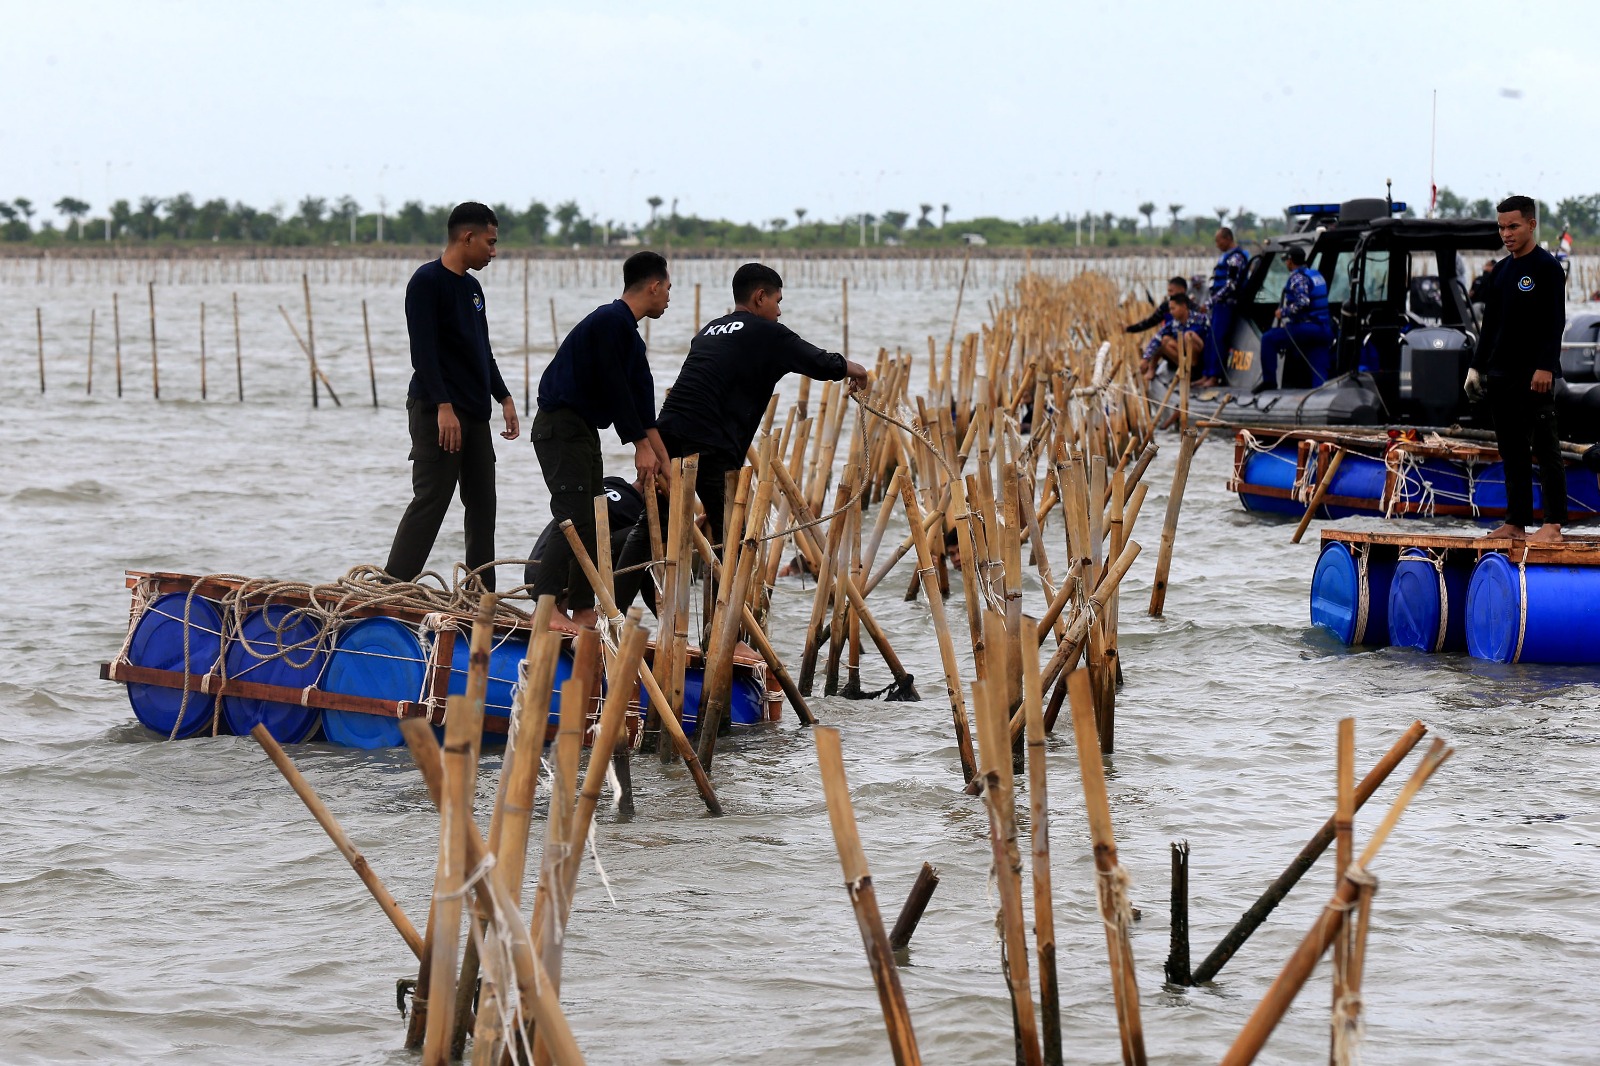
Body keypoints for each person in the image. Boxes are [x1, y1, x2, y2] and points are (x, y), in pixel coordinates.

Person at [613, 262, 869, 613]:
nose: (779, 311)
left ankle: (608, 616)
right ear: (760, 296)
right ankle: (722, 632)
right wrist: (861, 372)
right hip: (712, 444)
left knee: (649, 527)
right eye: (777, 301)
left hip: (668, 437)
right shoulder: (767, 333)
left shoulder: (708, 330)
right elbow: (822, 362)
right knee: (733, 534)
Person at [530, 251, 672, 631]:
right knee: (573, 516)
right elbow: (614, 388)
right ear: (654, 286)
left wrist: (667, 467)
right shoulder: (609, 322)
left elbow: (644, 410)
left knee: (594, 519)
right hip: (560, 427)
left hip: (584, 431)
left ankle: (581, 608)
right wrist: (639, 447)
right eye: (668, 289)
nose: (670, 298)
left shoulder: (631, 338)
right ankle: (546, 609)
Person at [384, 202, 518, 591]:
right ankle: (392, 589)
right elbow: (422, 353)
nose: (493, 251)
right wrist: (443, 407)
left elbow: (481, 349)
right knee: (431, 500)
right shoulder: (427, 282)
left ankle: (481, 596)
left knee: (483, 506)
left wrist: (504, 396)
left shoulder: (473, 288)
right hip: (437, 410)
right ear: (467, 237)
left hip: (474, 414)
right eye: (490, 243)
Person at [1465, 194, 1568, 545]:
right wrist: (1476, 368)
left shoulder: (1547, 268)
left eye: (1513, 226)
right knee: (1512, 451)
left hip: (1535, 375)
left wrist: (1546, 366)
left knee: (1546, 447)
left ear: (1531, 224)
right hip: (1501, 374)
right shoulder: (1501, 271)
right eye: (1501, 227)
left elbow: (1555, 322)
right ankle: (1516, 521)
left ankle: (1553, 524)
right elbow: (1490, 325)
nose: (1506, 233)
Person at [522, 476, 644, 604]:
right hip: (552, 582)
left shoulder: (612, 482)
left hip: (534, 569)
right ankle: (601, 611)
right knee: (643, 536)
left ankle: (562, 609)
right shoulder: (635, 514)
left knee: (578, 511)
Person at [1257, 245, 1333, 391]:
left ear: (1291, 261)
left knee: (1268, 339)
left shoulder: (1297, 278)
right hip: (1324, 329)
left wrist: (1283, 312)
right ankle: (1321, 394)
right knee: (1319, 368)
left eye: (1287, 261)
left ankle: (1270, 383)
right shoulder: (1316, 275)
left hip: (1306, 328)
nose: (1286, 264)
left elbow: (1303, 302)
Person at [1206, 227, 1250, 382]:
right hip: (1219, 305)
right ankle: (1208, 373)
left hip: (1227, 305)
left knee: (1219, 338)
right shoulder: (1225, 257)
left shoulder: (1235, 258)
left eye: (1218, 241)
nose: (1217, 244)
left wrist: (1212, 301)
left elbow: (1231, 285)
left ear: (1227, 239)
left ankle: (1215, 376)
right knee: (1211, 337)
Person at [1139, 293, 1207, 383]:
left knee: (1188, 336)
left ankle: (1195, 371)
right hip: (1185, 359)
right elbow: (1157, 338)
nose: (1171, 312)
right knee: (1165, 340)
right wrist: (1146, 359)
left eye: (1173, 309)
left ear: (1183, 307)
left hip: (1201, 360)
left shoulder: (1201, 319)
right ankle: (1186, 370)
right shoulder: (1174, 323)